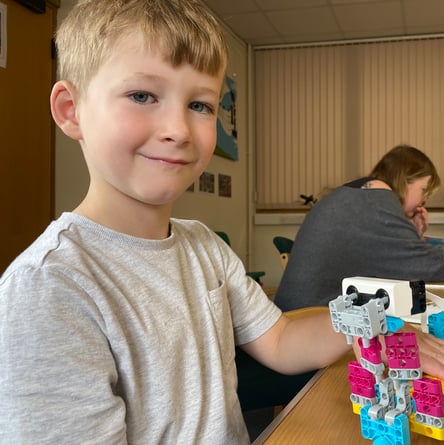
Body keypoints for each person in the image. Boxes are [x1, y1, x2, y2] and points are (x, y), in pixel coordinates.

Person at [0, 1, 352, 443]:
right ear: (71, 110)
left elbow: (280, 341)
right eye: (142, 96)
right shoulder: (49, 286)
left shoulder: (204, 246)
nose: (179, 129)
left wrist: (377, 318)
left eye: (201, 105)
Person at [275, 144, 444, 313]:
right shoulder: (378, 201)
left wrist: (412, 236)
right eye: (424, 191)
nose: (424, 202)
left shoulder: (363, 193)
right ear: (405, 181)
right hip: (306, 323)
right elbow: (423, 267)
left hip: (299, 316)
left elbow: (400, 264)